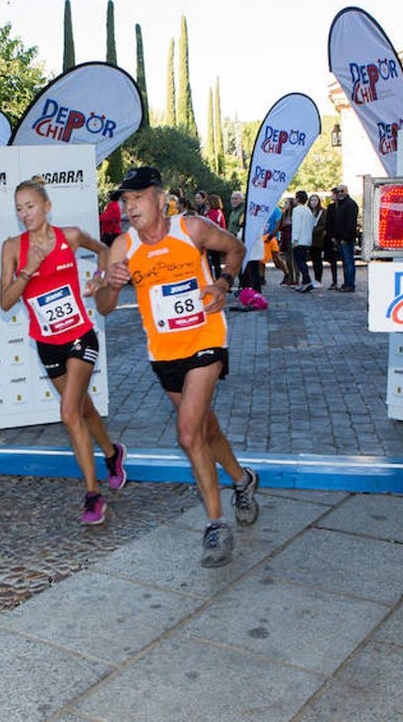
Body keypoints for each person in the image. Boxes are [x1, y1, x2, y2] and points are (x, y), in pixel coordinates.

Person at [96, 167, 260, 568]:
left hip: (205, 339)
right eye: (125, 200)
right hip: (164, 352)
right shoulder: (123, 246)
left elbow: (236, 249)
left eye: (137, 198)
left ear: (159, 198)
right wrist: (111, 284)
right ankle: (243, 480)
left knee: (188, 433)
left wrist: (223, 284)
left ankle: (216, 525)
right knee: (206, 429)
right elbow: (104, 307)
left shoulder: (192, 229)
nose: (130, 207)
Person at [0, 179, 128, 526]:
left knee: (69, 413)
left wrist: (100, 277)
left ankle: (93, 495)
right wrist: (28, 270)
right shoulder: (12, 248)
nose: (25, 214)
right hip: (47, 343)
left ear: (46, 206)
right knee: (83, 408)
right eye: (19, 209)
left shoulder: (69, 236)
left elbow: (104, 250)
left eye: (30, 206)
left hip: (80, 336)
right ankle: (112, 453)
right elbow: (6, 301)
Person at [332, 184, 361, 292]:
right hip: (340, 239)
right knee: (345, 262)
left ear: (346, 191)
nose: (339, 193)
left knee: (349, 262)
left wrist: (345, 238)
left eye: (342, 191)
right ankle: (346, 283)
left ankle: (350, 284)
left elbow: (351, 224)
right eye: (338, 191)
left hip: (346, 239)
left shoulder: (350, 204)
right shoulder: (341, 204)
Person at [290, 190, 316, 293]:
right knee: (302, 261)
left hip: (299, 240)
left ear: (297, 199)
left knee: (300, 262)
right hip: (307, 239)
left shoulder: (297, 210)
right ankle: (305, 281)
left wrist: (295, 239)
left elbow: (296, 226)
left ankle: (307, 280)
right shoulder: (308, 210)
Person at [204, 193, 228, 280]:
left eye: (207, 204)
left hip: (215, 240)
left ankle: (218, 278)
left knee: (215, 262)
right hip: (213, 240)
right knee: (214, 262)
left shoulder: (215, 213)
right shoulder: (211, 213)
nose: (206, 206)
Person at [307, 192, 327, 287]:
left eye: (315, 200)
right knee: (312, 260)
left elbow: (324, 225)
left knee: (318, 259)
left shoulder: (323, 212)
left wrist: (315, 230)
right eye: (312, 200)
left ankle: (318, 279)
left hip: (318, 239)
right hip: (308, 238)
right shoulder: (308, 211)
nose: (313, 202)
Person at [323, 190, 341, 290]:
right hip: (331, 237)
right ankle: (334, 281)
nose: (332, 196)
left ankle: (343, 282)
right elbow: (328, 222)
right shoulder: (330, 207)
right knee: (333, 260)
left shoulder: (343, 206)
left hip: (340, 235)